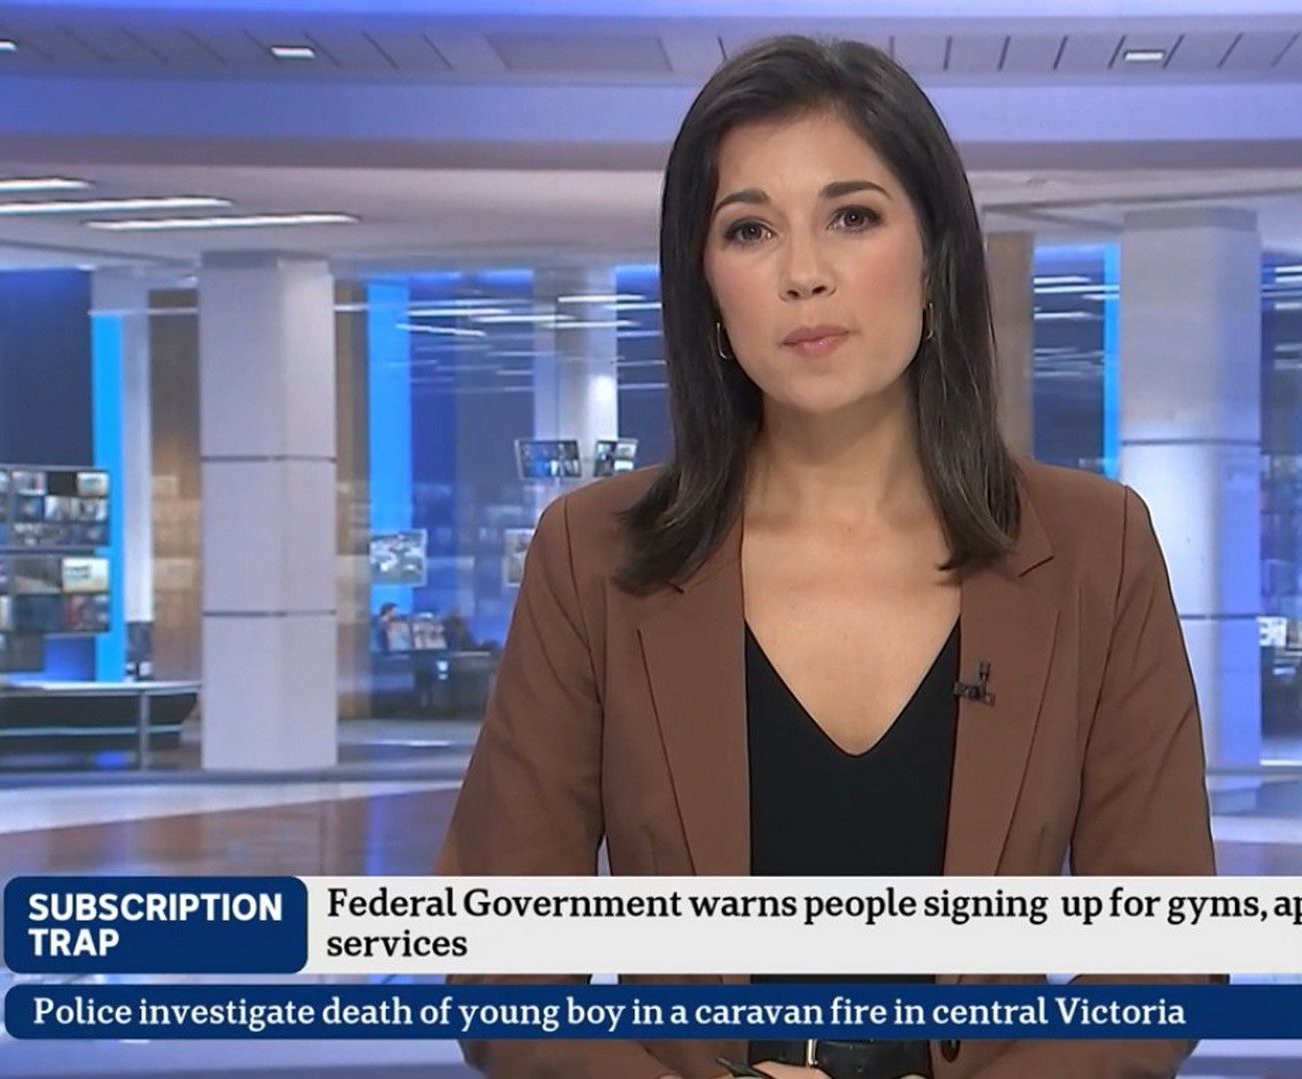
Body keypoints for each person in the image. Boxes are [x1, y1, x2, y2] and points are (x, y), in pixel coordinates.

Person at [436, 35, 1217, 1079]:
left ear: (936, 254)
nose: (804, 275)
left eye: (852, 217)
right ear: (707, 287)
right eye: (749, 229)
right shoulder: (593, 556)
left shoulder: (1094, 547)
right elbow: (500, 959)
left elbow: (1164, 953)